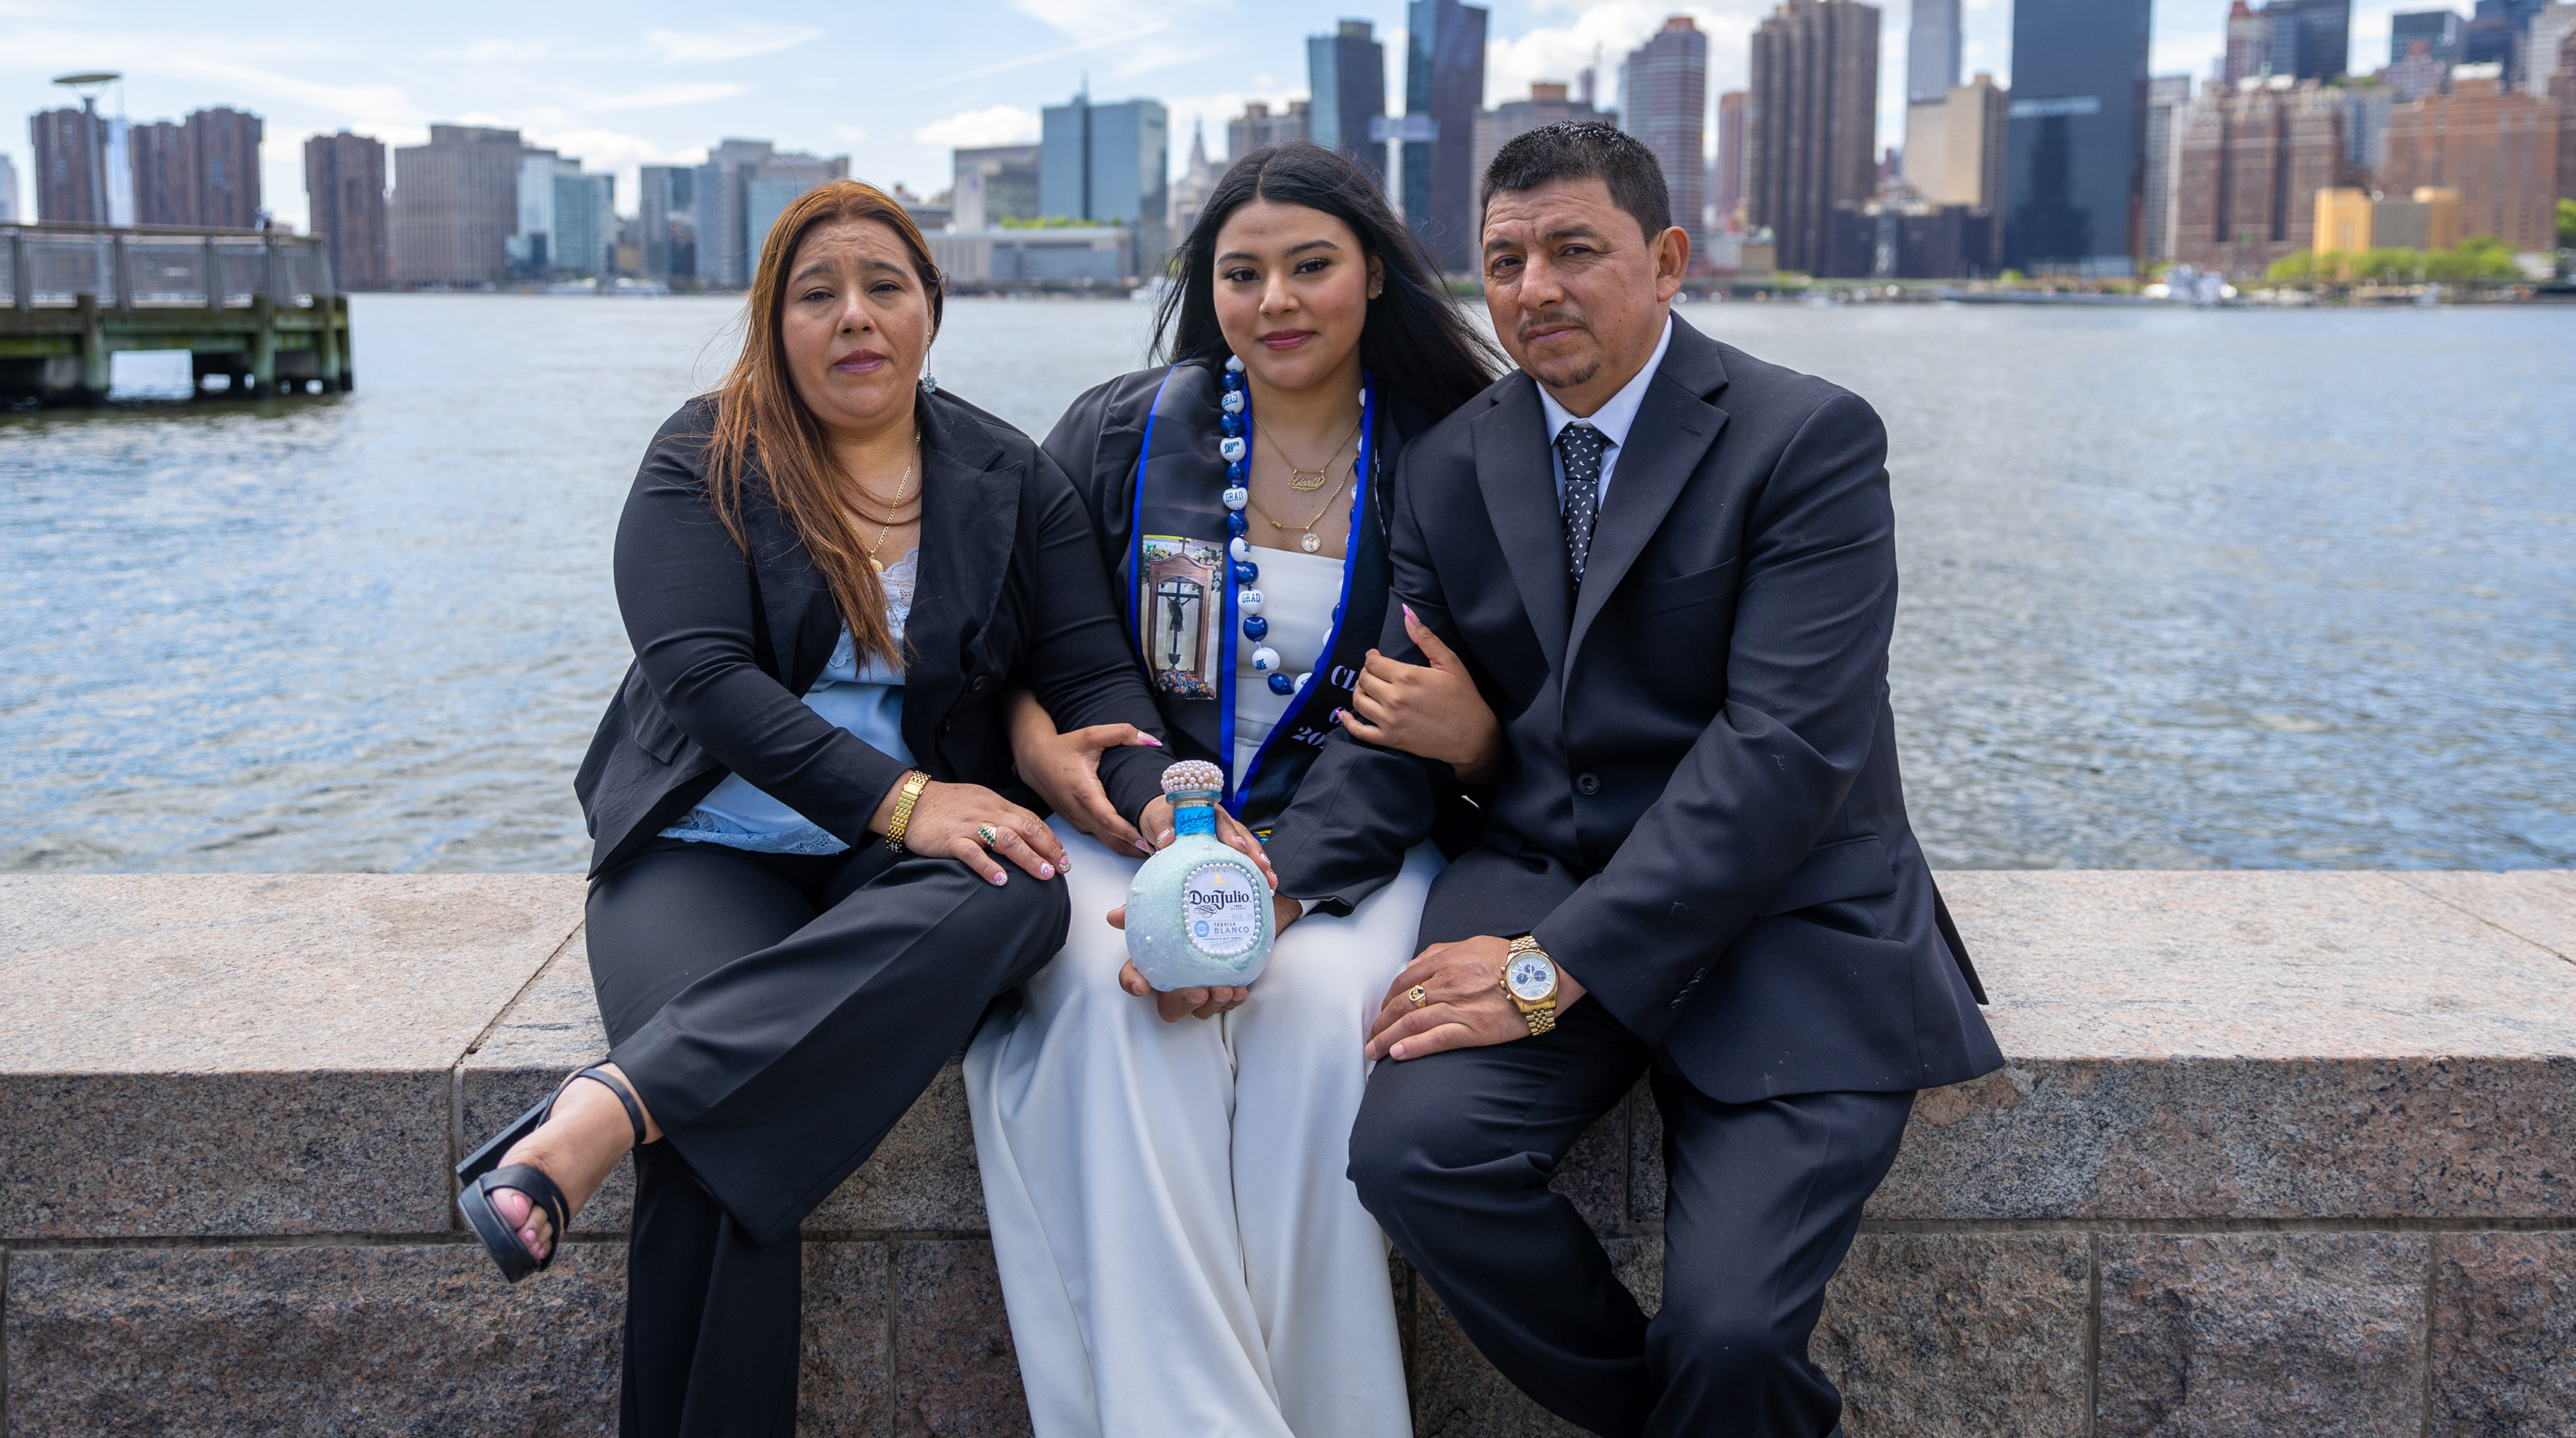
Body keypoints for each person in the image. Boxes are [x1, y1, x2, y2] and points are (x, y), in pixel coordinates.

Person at [1266, 122, 2004, 1438]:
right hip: (1538, 881)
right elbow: (1395, 719)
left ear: (1667, 261)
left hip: (1786, 919)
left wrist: (1551, 969)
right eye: (1505, 260)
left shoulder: (1807, 439)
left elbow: (1783, 754)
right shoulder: (1449, 466)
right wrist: (1274, 888)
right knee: (1415, 1161)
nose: (1534, 287)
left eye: (1573, 250)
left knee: (1732, 1335)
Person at [455, 180, 1172, 1438]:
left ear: (931, 309)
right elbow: (703, 680)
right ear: (773, 321)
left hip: (891, 866)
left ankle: (610, 1104)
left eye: (884, 286)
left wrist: (1163, 815)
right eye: (816, 293)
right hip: (705, 844)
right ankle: (646, 1106)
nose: (854, 316)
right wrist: (903, 799)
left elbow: (1094, 678)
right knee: (717, 1124)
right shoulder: (702, 457)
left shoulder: (1008, 477)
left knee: (1027, 887)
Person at [965, 142, 1506, 1438]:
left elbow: (1401, 733)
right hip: (1137, 824)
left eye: (1311, 266)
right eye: (1241, 273)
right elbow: (1054, 648)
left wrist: (1272, 894)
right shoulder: (1122, 434)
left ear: (1374, 274)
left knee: (1318, 1018)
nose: (1277, 301)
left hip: (1353, 844)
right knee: (1115, 1003)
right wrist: (1078, 766)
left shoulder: (1453, 460)